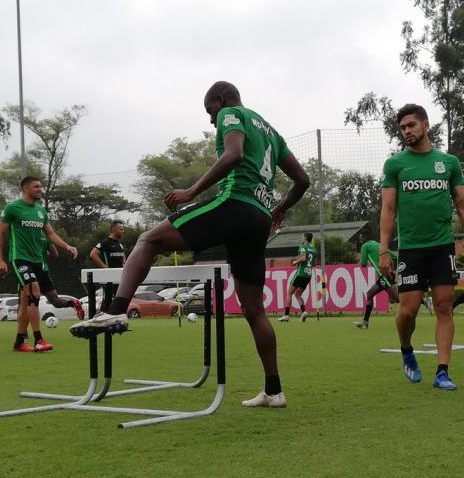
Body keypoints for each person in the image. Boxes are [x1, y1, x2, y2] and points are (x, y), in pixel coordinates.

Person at [70, 81, 311, 408]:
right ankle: (274, 390)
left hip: (234, 202)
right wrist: (279, 208)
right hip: (259, 218)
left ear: (221, 100)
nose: (212, 120)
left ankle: (115, 311)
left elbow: (234, 154)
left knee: (148, 240)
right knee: (254, 310)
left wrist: (191, 191)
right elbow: (302, 180)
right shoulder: (271, 131)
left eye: (210, 111)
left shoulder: (231, 113)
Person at [380, 103, 464, 390]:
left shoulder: (448, 163)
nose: (406, 131)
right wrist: (384, 250)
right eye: (402, 127)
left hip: (442, 247)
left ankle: (442, 372)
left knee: (444, 306)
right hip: (411, 249)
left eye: (411, 125)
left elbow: (462, 203)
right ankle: (406, 349)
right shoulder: (395, 165)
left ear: (426, 125)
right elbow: (388, 209)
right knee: (408, 311)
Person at [0, 176, 80, 353]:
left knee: (26, 301)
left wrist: (66, 246)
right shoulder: (12, 208)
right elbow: (0, 234)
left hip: (38, 262)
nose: (40, 189)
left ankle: (19, 342)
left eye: (41, 186)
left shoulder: (41, 211)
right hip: (20, 259)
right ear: (25, 188)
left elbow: (51, 234)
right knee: (34, 292)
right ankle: (39, 340)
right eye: (36, 186)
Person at [354, 230, 397, 328]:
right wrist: (393, 270)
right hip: (386, 274)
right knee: (369, 294)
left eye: (360, 238)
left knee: (397, 298)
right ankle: (365, 322)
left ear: (364, 238)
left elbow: (363, 264)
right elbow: (395, 257)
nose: (360, 240)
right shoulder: (378, 244)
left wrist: (366, 257)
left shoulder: (365, 246)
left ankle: (423, 301)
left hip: (384, 275)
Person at [89, 220, 126, 312]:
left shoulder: (119, 245)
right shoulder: (105, 242)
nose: (123, 231)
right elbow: (93, 254)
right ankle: (102, 316)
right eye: (121, 229)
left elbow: (123, 259)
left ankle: (117, 317)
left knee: (120, 301)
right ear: (114, 230)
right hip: (109, 278)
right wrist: (105, 268)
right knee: (107, 301)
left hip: (120, 278)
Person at [280, 232, 317, 322]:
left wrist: (295, 262)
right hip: (308, 275)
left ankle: (286, 315)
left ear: (305, 238)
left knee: (289, 293)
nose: (301, 238)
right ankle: (304, 312)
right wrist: (298, 258)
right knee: (298, 294)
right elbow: (312, 262)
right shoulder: (313, 249)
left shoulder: (303, 246)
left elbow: (303, 258)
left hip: (300, 273)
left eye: (302, 237)